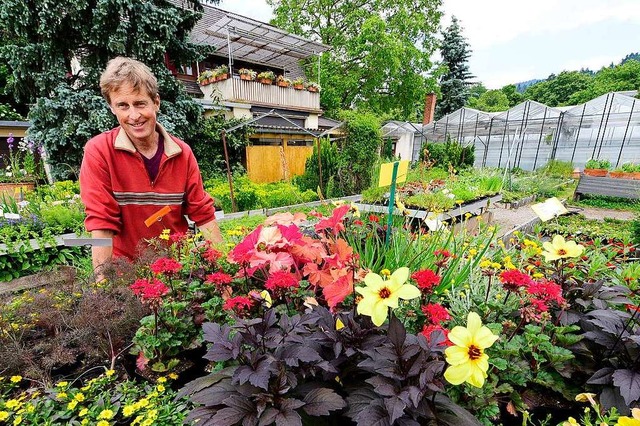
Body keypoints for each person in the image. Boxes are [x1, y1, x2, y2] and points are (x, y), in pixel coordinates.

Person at [80, 56, 222, 278]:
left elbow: (202, 213)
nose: (133, 116)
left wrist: (223, 267)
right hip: (128, 276)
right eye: (123, 106)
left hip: (179, 272)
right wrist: (102, 282)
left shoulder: (181, 153)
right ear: (112, 107)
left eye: (140, 104)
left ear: (156, 102)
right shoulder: (99, 151)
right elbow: (101, 222)